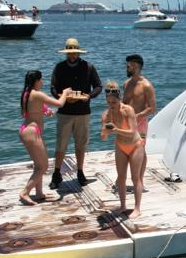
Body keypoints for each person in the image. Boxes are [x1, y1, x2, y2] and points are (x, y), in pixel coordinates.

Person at [50, 37, 103, 188]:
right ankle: (56, 173)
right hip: (65, 111)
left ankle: (80, 172)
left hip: (83, 112)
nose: (72, 56)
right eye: (69, 53)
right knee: (61, 145)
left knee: (81, 145)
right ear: (66, 53)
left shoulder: (88, 67)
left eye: (74, 53)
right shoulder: (59, 67)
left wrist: (89, 96)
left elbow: (98, 86)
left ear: (78, 53)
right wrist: (60, 97)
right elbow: (53, 88)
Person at [18, 70, 72, 205]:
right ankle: (25, 192)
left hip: (26, 130)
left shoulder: (26, 93)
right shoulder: (38, 94)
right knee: (43, 166)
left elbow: (31, 109)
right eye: (41, 80)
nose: (42, 82)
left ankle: (39, 193)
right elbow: (60, 104)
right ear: (36, 81)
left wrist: (45, 110)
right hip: (32, 132)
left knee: (38, 164)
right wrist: (65, 93)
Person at [100, 81, 144, 219]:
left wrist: (115, 129)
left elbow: (132, 131)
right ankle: (123, 205)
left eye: (113, 102)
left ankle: (137, 208)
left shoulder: (128, 110)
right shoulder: (107, 115)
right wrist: (105, 132)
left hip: (135, 145)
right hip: (120, 145)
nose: (111, 105)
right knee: (121, 178)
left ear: (119, 99)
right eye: (108, 102)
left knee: (135, 177)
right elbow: (103, 138)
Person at [123, 53, 156, 185]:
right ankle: (126, 178)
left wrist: (136, 116)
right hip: (126, 122)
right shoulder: (126, 84)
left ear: (136, 66)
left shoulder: (146, 85)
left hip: (140, 122)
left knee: (140, 150)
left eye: (129, 65)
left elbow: (152, 108)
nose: (126, 67)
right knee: (125, 149)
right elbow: (123, 103)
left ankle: (139, 180)